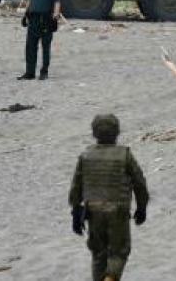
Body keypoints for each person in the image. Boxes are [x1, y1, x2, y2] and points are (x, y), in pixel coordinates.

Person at [69, 114, 150, 281]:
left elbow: (76, 186)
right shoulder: (124, 155)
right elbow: (139, 183)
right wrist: (141, 207)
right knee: (119, 253)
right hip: (118, 211)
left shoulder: (86, 156)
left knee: (98, 254)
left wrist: (76, 211)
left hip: (93, 211)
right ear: (117, 132)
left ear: (94, 133)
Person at [19, 0, 61, 80]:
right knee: (30, 47)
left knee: (45, 47)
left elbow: (57, 1)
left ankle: (44, 72)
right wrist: (25, 14)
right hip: (33, 19)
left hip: (46, 19)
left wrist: (55, 16)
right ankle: (30, 73)